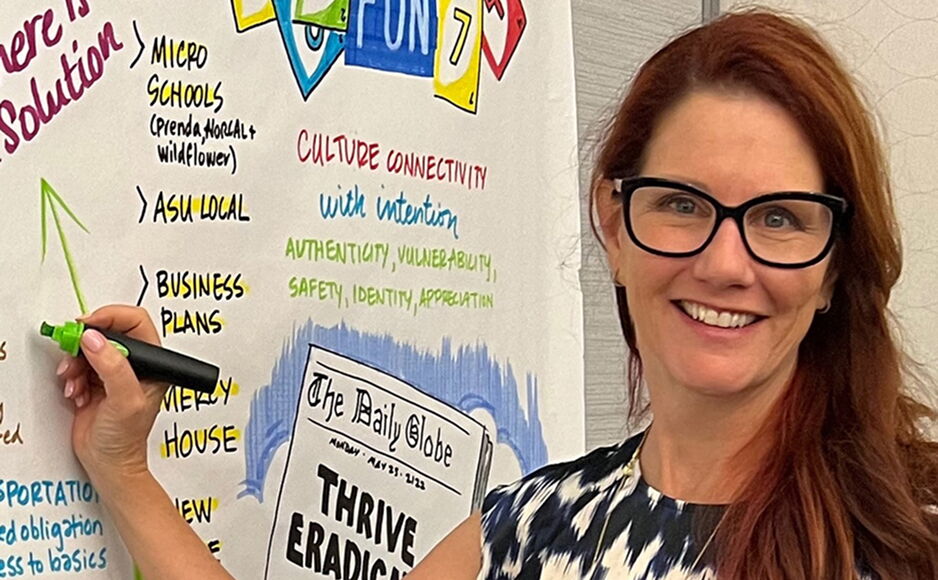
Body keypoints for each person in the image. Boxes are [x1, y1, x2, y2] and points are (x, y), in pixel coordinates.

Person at [57, 8, 938, 579]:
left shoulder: (914, 533)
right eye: (681, 204)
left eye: (780, 218)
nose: (726, 262)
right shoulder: (529, 531)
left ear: (835, 265)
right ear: (614, 223)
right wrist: (124, 468)